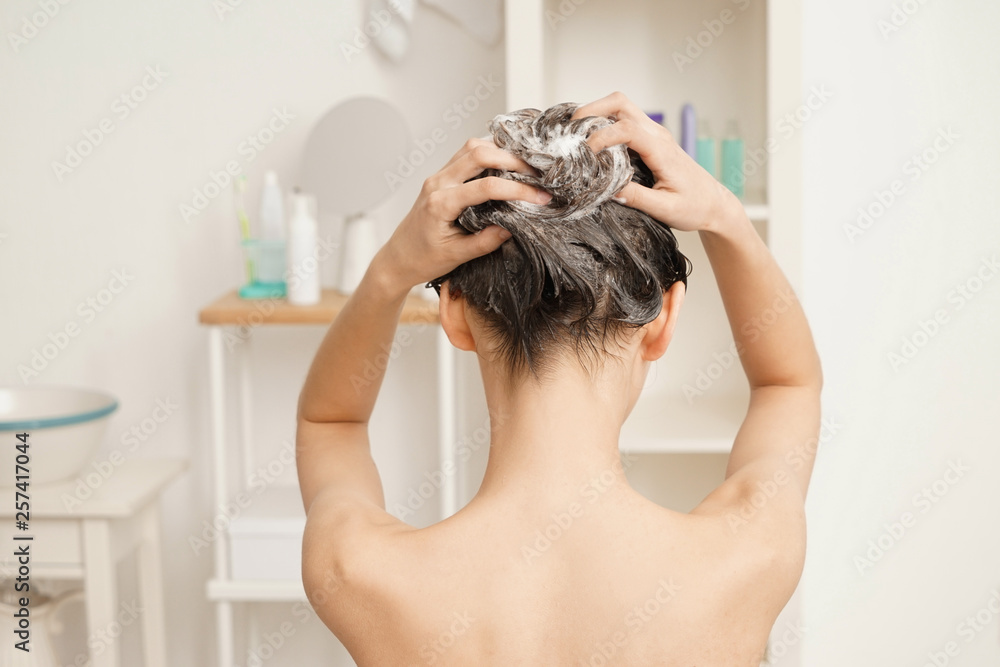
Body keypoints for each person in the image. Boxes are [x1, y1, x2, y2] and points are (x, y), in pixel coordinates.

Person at [295, 91, 823, 666]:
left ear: (453, 312)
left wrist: (390, 270)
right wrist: (726, 216)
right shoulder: (744, 560)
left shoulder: (363, 574)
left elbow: (330, 421)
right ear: (663, 321)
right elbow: (788, 384)